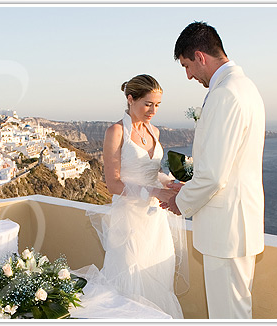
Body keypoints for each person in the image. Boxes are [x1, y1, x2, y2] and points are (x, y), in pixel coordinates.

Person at [162, 21, 266, 319]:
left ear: (200, 56)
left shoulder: (226, 94)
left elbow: (214, 175)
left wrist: (180, 202)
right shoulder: (245, 87)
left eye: (187, 66)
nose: (189, 75)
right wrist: (190, 188)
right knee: (234, 310)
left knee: (227, 315)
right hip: (236, 223)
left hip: (227, 229)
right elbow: (228, 167)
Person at [89, 74, 189, 318]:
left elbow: (153, 172)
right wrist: (156, 192)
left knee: (158, 277)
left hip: (155, 222)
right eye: (148, 104)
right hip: (129, 220)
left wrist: (173, 183)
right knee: (129, 276)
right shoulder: (116, 131)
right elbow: (113, 183)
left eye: (157, 105)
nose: (153, 110)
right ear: (130, 99)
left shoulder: (154, 131)